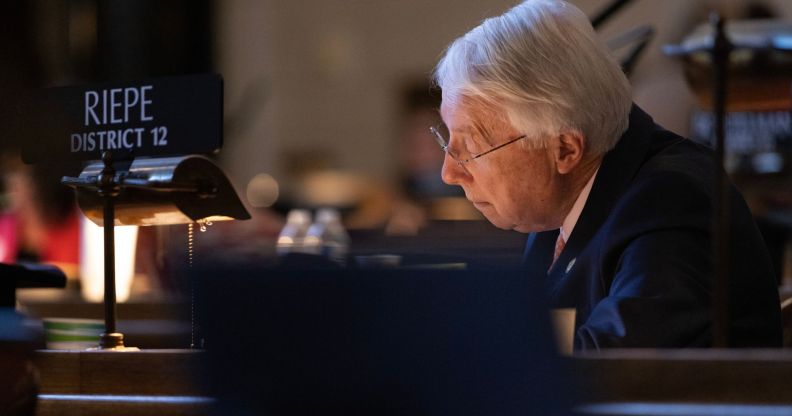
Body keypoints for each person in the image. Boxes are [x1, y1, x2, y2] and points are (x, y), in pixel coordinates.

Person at [432, 0, 781, 349]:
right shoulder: (558, 203)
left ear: (565, 149)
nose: (449, 172)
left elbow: (614, 361)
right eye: (448, 142)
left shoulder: (669, 203)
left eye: (472, 148)